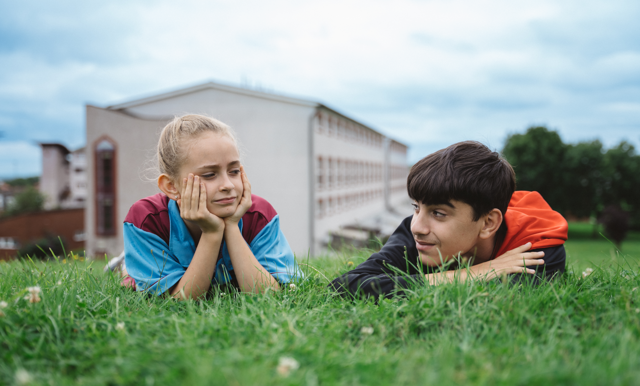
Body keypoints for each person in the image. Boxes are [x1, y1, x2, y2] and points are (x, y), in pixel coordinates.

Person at [330, 141, 568, 298]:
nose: (418, 227)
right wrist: (477, 272)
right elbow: (345, 285)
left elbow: (493, 302)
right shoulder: (417, 232)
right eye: (416, 207)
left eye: (438, 213)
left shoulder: (535, 245)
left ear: (488, 223)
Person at [120, 114, 302, 299]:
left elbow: (271, 295)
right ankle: (125, 265)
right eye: (209, 174)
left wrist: (231, 226)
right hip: (151, 258)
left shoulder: (259, 215)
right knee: (132, 279)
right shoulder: (146, 219)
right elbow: (178, 301)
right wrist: (212, 233)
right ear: (171, 186)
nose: (228, 185)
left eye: (234, 171)